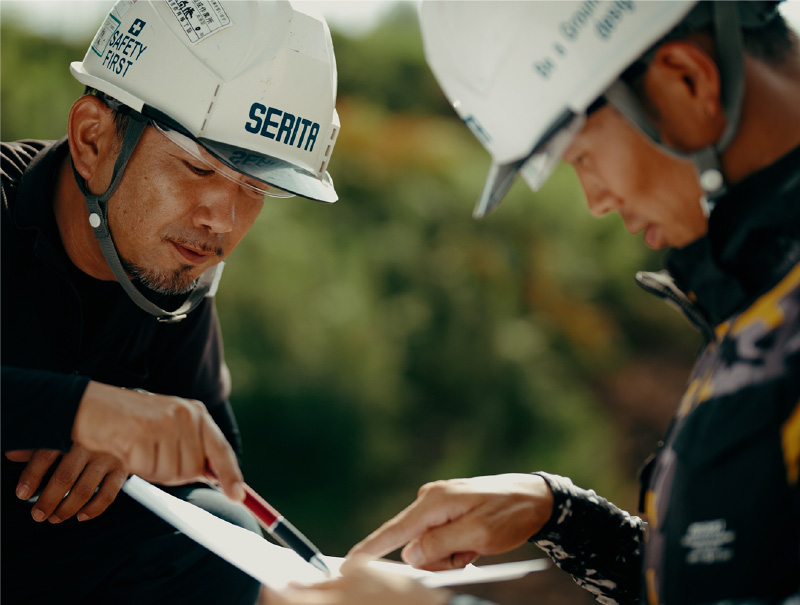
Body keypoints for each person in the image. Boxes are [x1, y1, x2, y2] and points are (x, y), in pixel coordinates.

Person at [267, 1, 800, 604]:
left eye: (579, 157)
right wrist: (563, 518)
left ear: (687, 81)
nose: (596, 200)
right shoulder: (760, 296)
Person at [1, 0, 339, 602]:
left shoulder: (172, 267)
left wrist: (137, 440)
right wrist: (88, 411)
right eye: (195, 168)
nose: (223, 222)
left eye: (255, 190)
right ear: (92, 139)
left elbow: (218, 469)